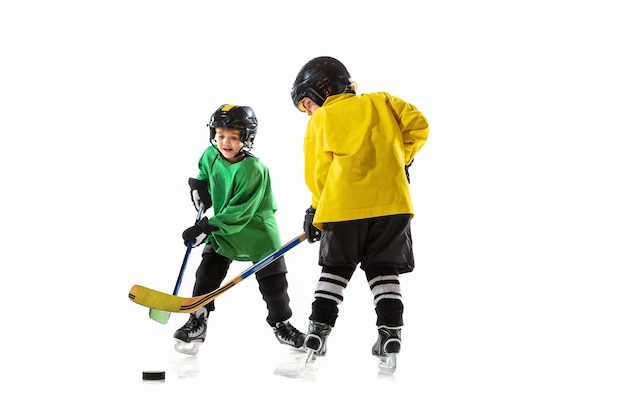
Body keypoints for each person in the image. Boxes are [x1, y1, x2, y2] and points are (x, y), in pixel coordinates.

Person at [290, 56, 429, 372]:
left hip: (343, 208)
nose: (309, 112)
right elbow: (420, 125)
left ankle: (318, 332)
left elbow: (319, 171)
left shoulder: (322, 119)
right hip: (392, 206)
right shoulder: (382, 101)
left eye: (307, 105)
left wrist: (316, 209)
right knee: (384, 271)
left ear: (322, 90)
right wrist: (400, 160)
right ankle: (390, 333)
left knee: (335, 271)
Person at [173, 103, 305, 355]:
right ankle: (198, 319)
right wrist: (199, 187)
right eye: (221, 135)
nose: (226, 142)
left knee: (275, 289)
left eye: (234, 137)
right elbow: (204, 171)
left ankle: (282, 325)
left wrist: (207, 227)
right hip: (223, 231)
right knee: (206, 275)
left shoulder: (253, 170)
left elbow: (240, 211)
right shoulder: (210, 155)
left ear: (247, 138)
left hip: (257, 234)